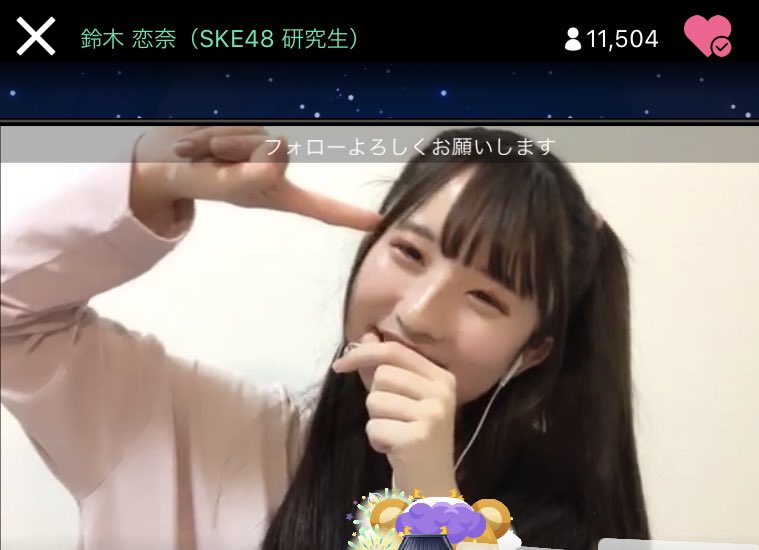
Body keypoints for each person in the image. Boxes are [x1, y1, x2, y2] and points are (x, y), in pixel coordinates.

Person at [1, 125, 650, 550]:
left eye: (485, 297)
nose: (419, 313)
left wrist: (434, 504)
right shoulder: (196, 434)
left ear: (532, 351)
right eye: (410, 253)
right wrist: (151, 180)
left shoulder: (559, 531)